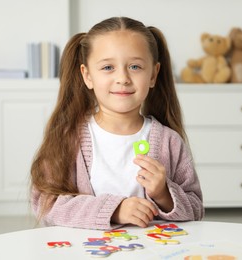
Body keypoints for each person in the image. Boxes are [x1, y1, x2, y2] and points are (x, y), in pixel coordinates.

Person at [30, 16, 204, 230]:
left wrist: (164, 194)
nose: (122, 78)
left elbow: (196, 209)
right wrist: (116, 210)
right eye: (107, 68)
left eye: (135, 66)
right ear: (87, 76)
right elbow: (46, 204)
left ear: (153, 74)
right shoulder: (68, 138)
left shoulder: (170, 142)